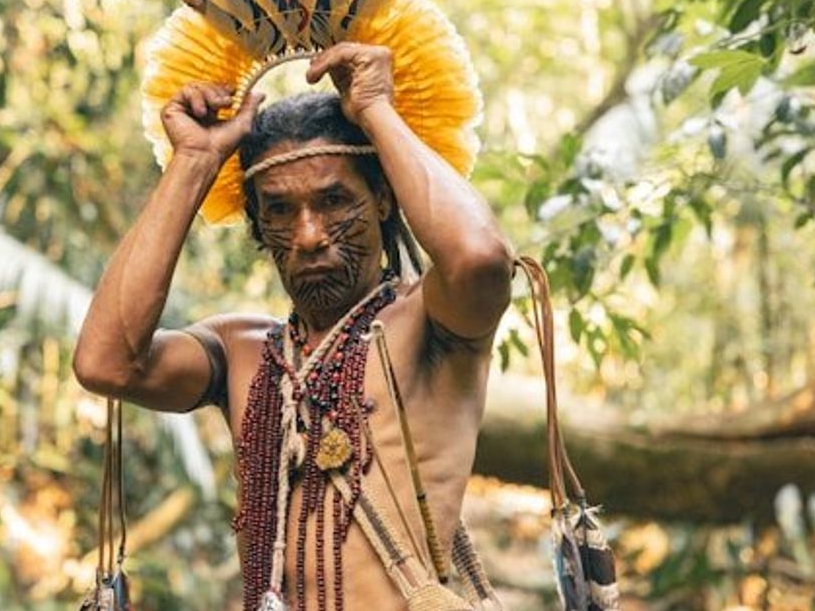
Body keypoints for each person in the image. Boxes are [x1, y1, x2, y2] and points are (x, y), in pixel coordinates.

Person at [73, 41, 513, 610]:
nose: (308, 234)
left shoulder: (435, 324)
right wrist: (195, 160)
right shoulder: (242, 351)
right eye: (279, 209)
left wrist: (377, 109)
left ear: (382, 198)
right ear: (256, 222)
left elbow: (480, 258)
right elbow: (106, 362)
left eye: (334, 200)